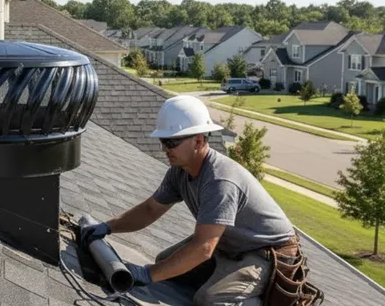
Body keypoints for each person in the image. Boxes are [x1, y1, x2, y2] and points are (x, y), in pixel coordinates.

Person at [80, 95, 302, 305]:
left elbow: (204, 247)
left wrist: (146, 274)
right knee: (164, 262)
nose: (165, 149)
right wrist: (107, 227)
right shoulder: (180, 172)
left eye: (171, 142)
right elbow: (149, 209)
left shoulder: (220, 180)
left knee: (210, 300)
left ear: (197, 141)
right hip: (229, 243)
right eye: (163, 142)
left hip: (266, 253)